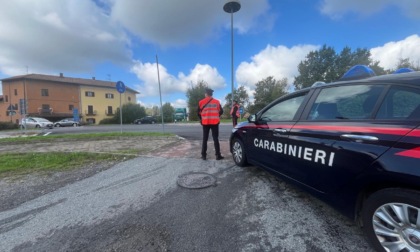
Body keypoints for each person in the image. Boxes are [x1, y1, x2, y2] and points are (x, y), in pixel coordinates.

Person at [197, 88, 224, 160]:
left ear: (206, 94)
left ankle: (203, 155)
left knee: (205, 139)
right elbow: (221, 111)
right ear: (212, 94)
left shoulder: (201, 102)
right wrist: (217, 115)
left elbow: (198, 113)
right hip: (215, 122)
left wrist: (202, 118)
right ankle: (218, 155)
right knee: (215, 139)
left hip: (205, 123)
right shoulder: (217, 102)